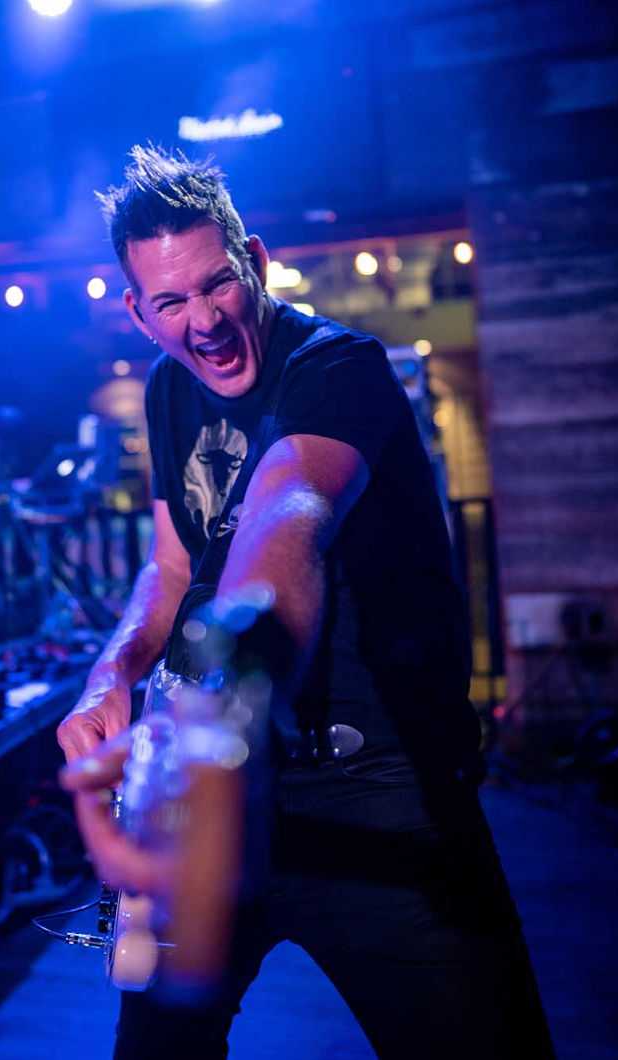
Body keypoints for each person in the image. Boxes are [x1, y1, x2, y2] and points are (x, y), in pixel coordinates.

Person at [58, 147, 555, 1059]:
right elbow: (172, 567)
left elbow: (285, 515)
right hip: (219, 797)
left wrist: (226, 705)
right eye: (171, 302)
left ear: (255, 260)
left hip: (380, 790)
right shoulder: (168, 388)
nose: (205, 321)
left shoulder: (337, 367)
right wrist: (111, 676)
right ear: (138, 313)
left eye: (218, 284)